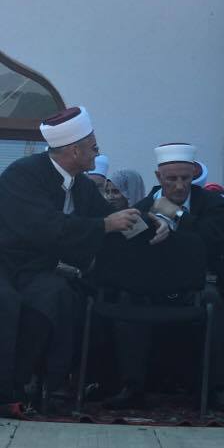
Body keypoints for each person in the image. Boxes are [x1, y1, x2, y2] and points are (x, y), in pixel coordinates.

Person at [0, 107, 160, 411]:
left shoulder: (82, 186)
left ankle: (49, 388)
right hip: (5, 265)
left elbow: (112, 221)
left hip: (35, 271)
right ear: (75, 151)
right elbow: (45, 227)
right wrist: (104, 225)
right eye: (94, 148)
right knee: (5, 303)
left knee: (57, 296)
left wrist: (153, 222)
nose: (98, 153)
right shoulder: (22, 175)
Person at [103, 143, 224, 411]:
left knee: (215, 304)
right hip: (150, 287)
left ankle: (217, 389)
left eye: (185, 178)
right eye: (171, 179)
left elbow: (213, 243)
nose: (179, 186)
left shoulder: (212, 204)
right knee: (127, 300)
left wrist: (178, 214)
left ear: (194, 174)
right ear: (158, 177)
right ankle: (131, 387)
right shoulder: (142, 207)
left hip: (197, 286)